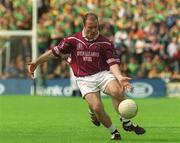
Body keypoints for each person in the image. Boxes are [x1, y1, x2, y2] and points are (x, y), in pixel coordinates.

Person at [28, 12, 145, 140]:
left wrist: (120, 77)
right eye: (90, 27)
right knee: (97, 107)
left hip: (102, 74)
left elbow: (112, 63)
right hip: (84, 79)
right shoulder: (72, 40)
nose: (93, 30)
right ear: (83, 26)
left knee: (117, 91)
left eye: (96, 27)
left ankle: (126, 123)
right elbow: (53, 53)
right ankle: (114, 132)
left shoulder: (105, 43)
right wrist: (36, 62)